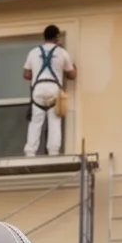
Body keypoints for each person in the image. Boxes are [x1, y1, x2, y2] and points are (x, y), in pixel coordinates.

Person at [23, 22, 74, 155]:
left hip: (38, 89)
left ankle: (30, 152)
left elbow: (26, 74)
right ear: (56, 37)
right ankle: (53, 152)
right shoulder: (62, 52)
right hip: (53, 88)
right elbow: (71, 74)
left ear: (44, 37)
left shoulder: (33, 52)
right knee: (55, 121)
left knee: (36, 121)